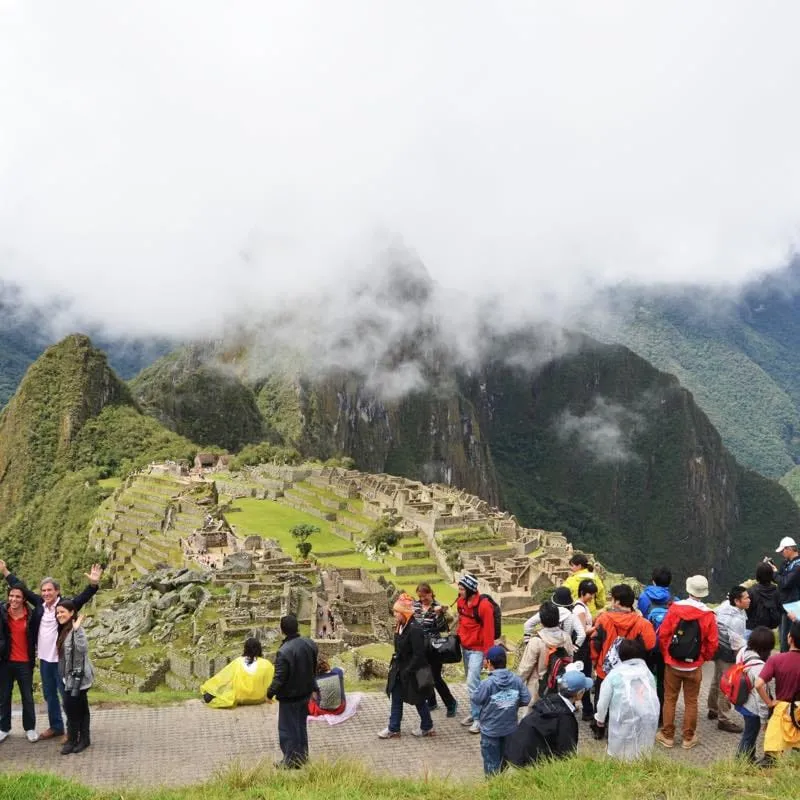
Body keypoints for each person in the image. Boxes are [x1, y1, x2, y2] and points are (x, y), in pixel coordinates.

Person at [0, 559, 102, 742]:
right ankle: (56, 727)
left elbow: (83, 597)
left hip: (62, 660)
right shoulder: (39, 605)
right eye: (44, 591)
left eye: (50, 590)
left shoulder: (66, 605)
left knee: (67, 697)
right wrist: (6, 572)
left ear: (57, 592)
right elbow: (21, 588)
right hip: (45, 660)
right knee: (49, 696)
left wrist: (93, 584)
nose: (46, 593)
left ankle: (73, 731)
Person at [656, 575, 719, 750]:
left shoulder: (675, 609)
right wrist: (703, 658)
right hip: (694, 665)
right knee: (691, 701)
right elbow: (713, 642)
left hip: (673, 663)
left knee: (670, 699)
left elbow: (663, 635)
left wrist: (667, 654)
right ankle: (688, 738)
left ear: (688, 589)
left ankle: (668, 736)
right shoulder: (708, 614)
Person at [504, 665, 593, 768]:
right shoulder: (566, 720)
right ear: (580, 694)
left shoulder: (549, 699)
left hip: (514, 749)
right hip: (526, 762)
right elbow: (567, 755)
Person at [590, 583, 656, 718]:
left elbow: (595, 643)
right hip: (631, 670)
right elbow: (650, 645)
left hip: (605, 667)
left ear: (617, 602)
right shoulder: (643, 623)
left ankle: (599, 726)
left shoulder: (604, 619)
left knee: (602, 697)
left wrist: (596, 661)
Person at [378, 593, 435, 739]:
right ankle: (394, 728)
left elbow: (419, 654)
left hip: (413, 670)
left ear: (404, 613)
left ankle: (427, 726)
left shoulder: (415, 629)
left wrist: (408, 670)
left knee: (418, 699)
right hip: (400, 668)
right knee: (396, 696)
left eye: (397, 612)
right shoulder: (400, 626)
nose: (394, 614)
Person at [593, 639, 659, 760]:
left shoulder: (614, 675)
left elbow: (603, 701)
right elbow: (653, 695)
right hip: (645, 716)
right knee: (642, 750)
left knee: (619, 750)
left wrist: (600, 719)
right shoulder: (647, 673)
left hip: (621, 717)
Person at [267, 614, 318, 768]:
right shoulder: (310, 644)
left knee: (288, 730)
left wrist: (269, 693)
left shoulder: (284, 651)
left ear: (282, 630)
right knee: (300, 727)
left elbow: (280, 678)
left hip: (289, 696)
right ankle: (302, 756)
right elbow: (313, 668)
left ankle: (290, 761)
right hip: (305, 693)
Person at [472, 645, 530, 775]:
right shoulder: (516, 680)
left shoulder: (487, 684)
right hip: (510, 729)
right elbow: (526, 699)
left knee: (491, 763)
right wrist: (511, 703)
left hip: (490, 731)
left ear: (489, 663)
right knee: (505, 762)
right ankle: (503, 786)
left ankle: (493, 790)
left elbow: (476, 699)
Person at [754, 619, 800, 766]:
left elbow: (758, 684)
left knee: (772, 755)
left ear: (789, 638)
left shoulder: (777, 659)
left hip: (783, 709)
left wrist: (769, 703)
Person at [455, 573, 495, 733]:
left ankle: (479, 719)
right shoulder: (460, 602)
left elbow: (489, 632)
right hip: (466, 647)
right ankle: (475, 712)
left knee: (472, 683)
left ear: (471, 590)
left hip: (478, 650)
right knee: (472, 684)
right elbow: (462, 622)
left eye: (462, 589)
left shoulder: (484, 606)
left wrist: (488, 655)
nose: (459, 591)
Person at [708, 585, 750, 733]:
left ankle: (712, 709)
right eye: (746, 598)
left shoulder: (725, 605)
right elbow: (737, 644)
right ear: (737, 601)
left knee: (716, 678)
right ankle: (724, 719)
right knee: (727, 685)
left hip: (717, 647)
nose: (749, 600)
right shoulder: (736, 620)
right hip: (727, 652)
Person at [0, 585, 39, 742]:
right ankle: (4, 728)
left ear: (23, 599)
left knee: (27, 697)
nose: (13, 599)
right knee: (3, 697)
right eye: (11, 596)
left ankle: (30, 728)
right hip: (5, 662)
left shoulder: (31, 615)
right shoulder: (2, 613)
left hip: (24, 662)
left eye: (17, 596)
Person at [54, 600, 94, 754]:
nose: (59, 615)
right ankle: (84, 739)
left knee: (71, 709)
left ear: (72, 613)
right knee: (81, 708)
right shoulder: (65, 629)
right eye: (58, 612)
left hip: (78, 679)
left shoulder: (77, 630)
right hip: (70, 677)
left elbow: (83, 649)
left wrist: (77, 630)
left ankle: (73, 740)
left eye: (62, 612)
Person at [414, 582, 457, 716]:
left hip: (434, 646)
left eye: (424, 596)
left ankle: (451, 703)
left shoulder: (437, 607)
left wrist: (439, 615)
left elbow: (442, 628)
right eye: (420, 597)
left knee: (436, 677)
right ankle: (431, 701)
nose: (422, 599)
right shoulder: (415, 606)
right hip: (419, 645)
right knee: (422, 674)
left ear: (430, 593)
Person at [518, 601, 574, 703]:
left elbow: (526, 668)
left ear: (541, 621)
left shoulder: (536, 641)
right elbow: (570, 659)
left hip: (538, 688)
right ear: (558, 619)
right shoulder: (566, 638)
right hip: (560, 686)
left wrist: (516, 684)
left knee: (533, 716)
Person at [733, 626, 775, 763]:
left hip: (742, 701)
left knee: (748, 733)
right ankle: (742, 760)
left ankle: (749, 757)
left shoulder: (743, 652)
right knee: (750, 734)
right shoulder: (758, 666)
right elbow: (760, 697)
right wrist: (764, 719)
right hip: (753, 707)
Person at [201, 637, 275, 708]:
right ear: (259, 649)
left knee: (225, 689)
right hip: (259, 698)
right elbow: (271, 682)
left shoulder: (238, 661)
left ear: (245, 648)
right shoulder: (266, 664)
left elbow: (223, 677)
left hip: (240, 697)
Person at [572, 579, 598, 720]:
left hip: (584, 647)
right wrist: (597, 626)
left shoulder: (583, 606)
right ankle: (587, 710)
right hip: (582, 647)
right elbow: (583, 631)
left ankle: (584, 707)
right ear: (582, 592)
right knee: (584, 676)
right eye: (590, 594)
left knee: (585, 675)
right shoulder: (579, 609)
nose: (592, 597)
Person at [769, 537, 800, 652]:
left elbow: (785, 582)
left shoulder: (797, 566)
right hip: (785, 605)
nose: (782, 553)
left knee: (791, 638)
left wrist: (775, 573)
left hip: (794, 606)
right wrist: (774, 571)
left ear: (789, 549)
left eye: (783, 551)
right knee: (783, 638)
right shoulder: (787, 563)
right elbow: (780, 580)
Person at [746, 562, 781, 632]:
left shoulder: (751, 591)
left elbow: (747, 610)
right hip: (770, 627)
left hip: (753, 628)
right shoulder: (777, 591)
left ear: (757, 575)